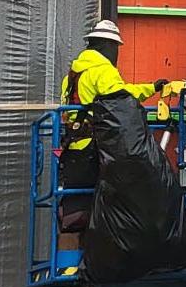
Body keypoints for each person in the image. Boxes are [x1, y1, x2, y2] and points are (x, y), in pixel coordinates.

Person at [56, 19, 179, 231]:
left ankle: (71, 260)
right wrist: (149, 93)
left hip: (73, 149)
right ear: (107, 46)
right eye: (116, 48)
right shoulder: (103, 70)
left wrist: (150, 87)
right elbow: (122, 99)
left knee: (76, 207)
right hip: (96, 150)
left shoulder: (73, 74)